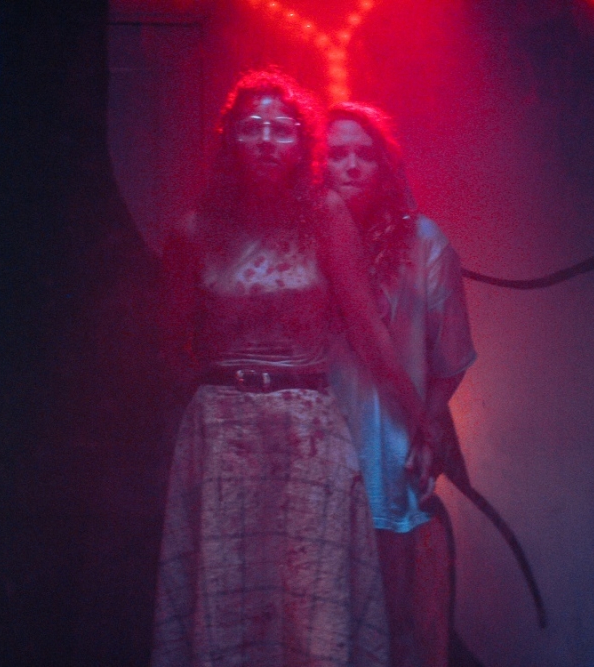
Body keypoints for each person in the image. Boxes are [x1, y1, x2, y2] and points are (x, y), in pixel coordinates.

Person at [152, 72, 426, 667]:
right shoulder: (194, 231)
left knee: (309, 596)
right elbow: (169, 346)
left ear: (302, 143)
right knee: (225, 591)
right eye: (251, 128)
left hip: (307, 433)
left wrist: (420, 418)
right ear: (230, 139)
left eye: (281, 129)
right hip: (221, 434)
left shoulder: (324, 215)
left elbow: (368, 331)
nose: (266, 141)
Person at [323, 102, 476, 667]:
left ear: (386, 166)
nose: (351, 165)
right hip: (315, 441)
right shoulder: (301, 239)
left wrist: (426, 426)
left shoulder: (425, 242)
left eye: (365, 154)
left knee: (390, 617)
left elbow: (451, 358)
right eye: (336, 154)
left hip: (390, 446)